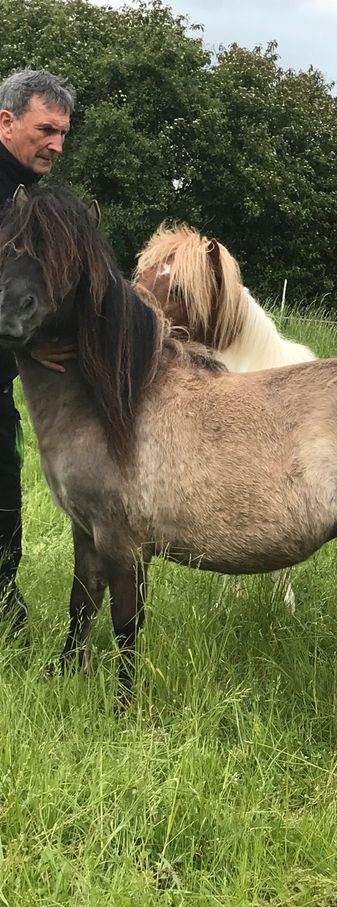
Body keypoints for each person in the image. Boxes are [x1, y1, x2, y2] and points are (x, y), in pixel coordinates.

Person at [0, 68, 77, 627]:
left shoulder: (30, 197)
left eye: (64, 134)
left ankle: (4, 600)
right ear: (7, 122)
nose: (57, 144)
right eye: (46, 130)